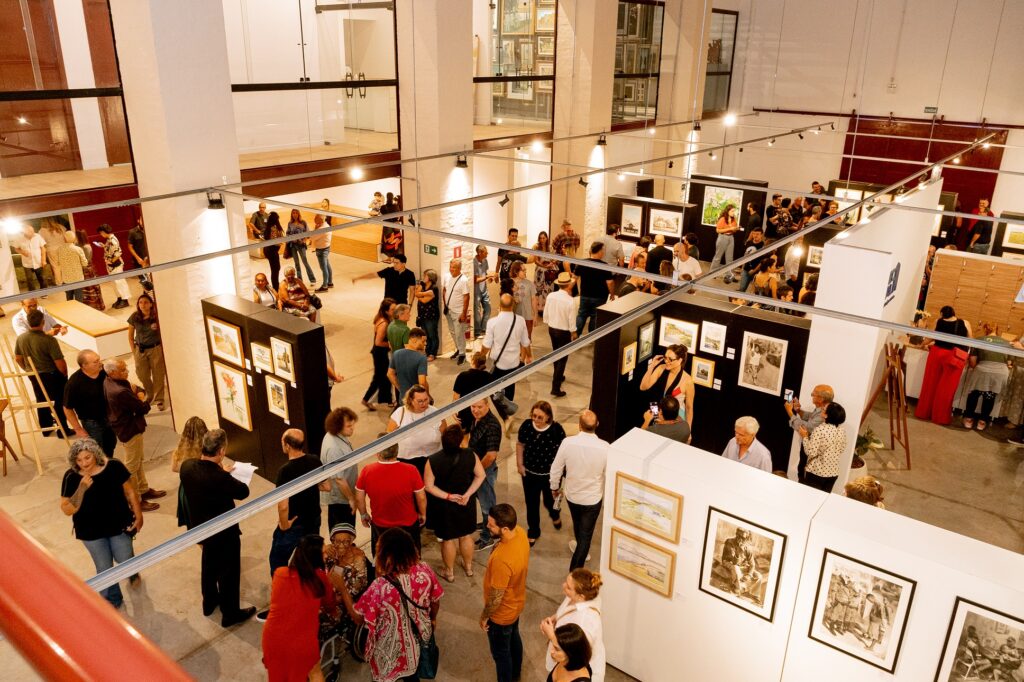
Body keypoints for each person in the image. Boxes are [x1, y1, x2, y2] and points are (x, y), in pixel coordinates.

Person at [178, 429, 256, 626]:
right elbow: (243, 491)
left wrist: (221, 471)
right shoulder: (220, 478)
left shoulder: (187, 467)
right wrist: (224, 473)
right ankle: (230, 614)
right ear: (221, 451)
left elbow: (205, 474)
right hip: (223, 531)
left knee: (209, 564)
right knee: (229, 572)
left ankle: (210, 601)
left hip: (201, 529)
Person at [59, 438, 143, 609]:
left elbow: (130, 492)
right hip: (91, 532)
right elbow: (67, 509)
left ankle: (131, 570)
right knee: (104, 568)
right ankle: (112, 600)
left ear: (95, 454)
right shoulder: (71, 476)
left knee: (124, 558)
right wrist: (82, 488)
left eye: (87, 458)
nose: (84, 464)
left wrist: (139, 514)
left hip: (118, 525)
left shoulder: (114, 466)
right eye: (79, 460)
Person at [353, 527, 443, 682]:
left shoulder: (379, 586)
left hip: (387, 651)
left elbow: (359, 618)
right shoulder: (425, 570)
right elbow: (435, 601)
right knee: (412, 675)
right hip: (416, 642)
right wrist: (432, 619)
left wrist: (341, 587)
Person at [261, 534, 338, 681]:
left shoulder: (280, 573)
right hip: (301, 642)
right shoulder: (320, 578)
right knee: (314, 673)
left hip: (273, 639)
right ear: (315, 557)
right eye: (323, 552)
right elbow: (330, 605)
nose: (326, 554)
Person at [264, 429, 323, 598]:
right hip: (313, 518)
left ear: (288, 446)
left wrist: (284, 525)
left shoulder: (285, 471)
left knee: (277, 560)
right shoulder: (314, 460)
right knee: (309, 556)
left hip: (295, 523)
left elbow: (283, 505)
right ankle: (308, 590)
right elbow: (326, 486)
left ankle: (282, 593)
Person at [425, 423, 486, 581]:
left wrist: (448, 496)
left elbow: (429, 486)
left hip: (444, 506)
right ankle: (469, 567)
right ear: (460, 441)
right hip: (466, 502)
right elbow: (481, 475)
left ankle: (449, 572)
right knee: (466, 535)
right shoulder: (470, 455)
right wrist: (467, 494)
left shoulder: (433, 460)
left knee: (448, 539)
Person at [550, 410, 609, 570]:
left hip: (572, 495)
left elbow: (556, 469)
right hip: (593, 499)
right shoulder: (606, 447)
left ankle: (575, 569)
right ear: (597, 425)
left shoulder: (568, 443)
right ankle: (575, 573)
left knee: (578, 524)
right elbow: (608, 474)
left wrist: (554, 487)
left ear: (579, 426)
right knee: (586, 535)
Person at [480, 503, 531, 682]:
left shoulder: (502, 560)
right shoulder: (521, 533)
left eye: (491, 524)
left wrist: (485, 616)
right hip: (516, 603)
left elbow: (496, 596)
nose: (487, 525)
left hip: (501, 613)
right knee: (514, 639)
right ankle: (516, 674)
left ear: (505, 528)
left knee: (501, 655)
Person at [355, 441, 427, 553]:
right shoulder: (411, 470)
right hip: (408, 524)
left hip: (380, 525)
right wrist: (422, 513)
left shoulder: (367, 471)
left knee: (383, 558)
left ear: (378, 453)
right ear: (397, 452)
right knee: (410, 557)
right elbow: (421, 497)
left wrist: (364, 514)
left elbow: (359, 498)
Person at [14, 309, 71, 436]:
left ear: (28, 323)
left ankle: (46, 428)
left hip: (33, 374)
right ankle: (63, 430)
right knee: (59, 400)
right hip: (50, 374)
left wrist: (27, 369)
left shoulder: (21, 339)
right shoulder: (49, 340)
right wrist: (64, 375)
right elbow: (60, 363)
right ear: (43, 322)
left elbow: (18, 358)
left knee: (41, 399)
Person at [541, 569, 605, 682]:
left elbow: (575, 650)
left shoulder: (586, 621)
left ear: (581, 596)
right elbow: (569, 609)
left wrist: (551, 634)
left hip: (574, 670)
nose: (563, 585)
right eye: (566, 582)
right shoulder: (577, 597)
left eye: (568, 587)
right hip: (563, 662)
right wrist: (557, 617)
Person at [517, 401, 567, 545]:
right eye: (534, 416)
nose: (536, 420)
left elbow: (563, 452)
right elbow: (520, 444)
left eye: (540, 417)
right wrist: (520, 464)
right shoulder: (527, 426)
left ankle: (555, 514)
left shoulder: (556, 429)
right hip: (529, 475)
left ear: (548, 417)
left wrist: (562, 471)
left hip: (549, 476)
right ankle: (533, 531)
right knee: (531, 503)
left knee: (549, 501)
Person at [915, 305, 971, 425]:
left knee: (930, 384)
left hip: (937, 353)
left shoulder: (938, 321)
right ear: (954, 313)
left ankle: (924, 413)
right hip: (955, 357)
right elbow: (970, 340)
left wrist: (922, 344)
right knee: (947, 388)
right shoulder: (965, 323)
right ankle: (940, 417)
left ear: (942, 314)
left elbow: (931, 337)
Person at [63, 350, 116, 457]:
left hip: (109, 417)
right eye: (96, 362)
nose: (100, 363)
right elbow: (67, 408)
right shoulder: (74, 383)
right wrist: (78, 429)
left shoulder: (103, 372)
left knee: (110, 444)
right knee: (97, 451)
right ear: (84, 365)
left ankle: (109, 465)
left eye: (99, 359)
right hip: (92, 423)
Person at [483, 294, 532, 404]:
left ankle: (503, 413)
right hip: (513, 362)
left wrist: (481, 356)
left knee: (494, 389)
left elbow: (487, 345)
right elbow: (525, 342)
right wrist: (528, 355)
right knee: (510, 387)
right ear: (513, 305)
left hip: (497, 362)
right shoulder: (520, 320)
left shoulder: (492, 322)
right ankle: (508, 409)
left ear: (500, 305)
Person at [962, 322, 1011, 430]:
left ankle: (969, 419)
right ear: (997, 330)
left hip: (983, 370)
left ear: (985, 329)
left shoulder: (979, 340)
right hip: (1001, 373)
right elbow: (1009, 362)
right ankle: (982, 422)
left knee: (974, 394)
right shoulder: (1007, 343)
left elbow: (973, 363)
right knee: (989, 396)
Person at [386, 384, 444, 474]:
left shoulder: (435, 412)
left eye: (426, 400)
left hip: (432, 458)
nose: (424, 403)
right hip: (406, 461)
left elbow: (444, 434)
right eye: (420, 401)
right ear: (410, 400)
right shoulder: (399, 414)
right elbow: (388, 437)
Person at [470, 398, 503, 551]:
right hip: (477, 467)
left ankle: (488, 536)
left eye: (480, 407)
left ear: (488, 405)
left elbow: (491, 455)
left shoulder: (492, 426)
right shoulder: (478, 418)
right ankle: (484, 525)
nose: (476, 410)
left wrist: (478, 471)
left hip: (484, 470)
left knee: (487, 506)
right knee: (480, 499)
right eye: (473, 406)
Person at [638, 344, 695, 429]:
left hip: (675, 417)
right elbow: (643, 387)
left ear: (680, 360)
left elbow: (689, 408)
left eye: (670, 359)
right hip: (657, 409)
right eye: (665, 357)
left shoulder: (688, 381)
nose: (666, 361)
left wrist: (688, 429)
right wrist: (652, 366)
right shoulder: (661, 368)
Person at [784, 384, 834, 481]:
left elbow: (807, 427)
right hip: (809, 448)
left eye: (814, 393)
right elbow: (811, 416)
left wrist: (790, 412)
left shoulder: (824, 414)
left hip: (811, 451)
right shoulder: (821, 410)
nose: (811, 395)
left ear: (821, 399)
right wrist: (798, 410)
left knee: (803, 474)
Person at [127, 293, 166, 411]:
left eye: (145, 302)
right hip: (140, 349)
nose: (143, 305)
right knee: (142, 374)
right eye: (140, 303)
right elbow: (130, 336)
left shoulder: (156, 317)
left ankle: (159, 398)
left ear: (151, 304)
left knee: (158, 374)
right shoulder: (134, 317)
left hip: (155, 349)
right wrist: (134, 351)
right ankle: (150, 393)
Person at [321, 407, 358, 529]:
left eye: (352, 425)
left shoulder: (336, 435)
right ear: (338, 426)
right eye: (349, 426)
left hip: (344, 495)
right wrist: (351, 499)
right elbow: (339, 479)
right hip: (341, 498)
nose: (352, 428)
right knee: (343, 532)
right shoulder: (334, 448)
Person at [799, 402, 847, 492]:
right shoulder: (842, 431)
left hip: (816, 472)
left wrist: (805, 437)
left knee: (810, 499)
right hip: (833, 473)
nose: (822, 409)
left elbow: (811, 452)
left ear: (826, 415)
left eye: (824, 409)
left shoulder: (820, 430)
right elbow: (842, 448)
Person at [544, 271, 576, 397]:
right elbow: (571, 320)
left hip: (552, 328)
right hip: (564, 332)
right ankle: (555, 387)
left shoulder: (551, 296)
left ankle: (558, 375)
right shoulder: (570, 301)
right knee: (563, 358)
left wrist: (548, 321)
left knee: (555, 353)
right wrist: (574, 332)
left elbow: (546, 313)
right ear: (568, 285)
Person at [324, 523, 370, 611]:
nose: (341, 545)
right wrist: (323, 548)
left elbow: (359, 585)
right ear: (332, 541)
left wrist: (338, 599)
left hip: (348, 602)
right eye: (337, 541)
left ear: (351, 541)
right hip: (330, 598)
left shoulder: (358, 557)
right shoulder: (330, 552)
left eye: (346, 541)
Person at [363, 298, 396, 410]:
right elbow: (378, 342)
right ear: (386, 311)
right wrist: (390, 344)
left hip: (380, 353)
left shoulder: (383, 318)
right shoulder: (384, 323)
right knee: (380, 377)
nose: (394, 311)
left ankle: (388, 399)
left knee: (384, 377)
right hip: (380, 354)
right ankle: (366, 399)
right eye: (392, 309)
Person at [575, 242, 614, 336]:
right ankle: (591, 336)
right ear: (599, 251)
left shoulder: (582, 263)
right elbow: (610, 282)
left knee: (581, 315)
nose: (603, 253)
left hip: (584, 294)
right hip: (599, 296)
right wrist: (612, 294)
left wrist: (577, 291)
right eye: (603, 251)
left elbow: (574, 277)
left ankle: (575, 335)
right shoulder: (605, 266)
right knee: (595, 316)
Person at [452, 351, 493, 429]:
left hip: (465, 410)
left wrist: (453, 411)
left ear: (472, 361)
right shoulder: (488, 376)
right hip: (481, 409)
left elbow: (456, 397)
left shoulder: (462, 376)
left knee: (464, 437)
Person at [388, 327, 429, 403]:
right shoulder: (421, 358)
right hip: (417, 402)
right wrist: (427, 396)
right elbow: (422, 382)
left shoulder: (396, 354)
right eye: (423, 341)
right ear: (414, 339)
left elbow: (390, 374)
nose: (425, 343)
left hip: (403, 399)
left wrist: (400, 389)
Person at [442, 258, 470, 364]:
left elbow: (466, 297)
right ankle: (459, 349)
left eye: (453, 267)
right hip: (449, 310)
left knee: (459, 333)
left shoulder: (463, 280)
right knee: (452, 331)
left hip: (459, 312)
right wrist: (445, 304)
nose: (451, 269)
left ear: (459, 269)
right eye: (450, 266)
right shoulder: (447, 276)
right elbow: (444, 290)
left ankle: (462, 354)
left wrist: (464, 313)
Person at [97, 225, 131, 308]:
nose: (101, 234)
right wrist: (104, 246)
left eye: (101, 233)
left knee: (120, 282)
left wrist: (112, 261)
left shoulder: (113, 240)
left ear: (104, 232)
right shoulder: (109, 240)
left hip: (116, 265)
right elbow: (110, 249)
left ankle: (125, 299)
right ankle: (119, 298)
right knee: (114, 283)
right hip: (111, 265)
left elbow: (119, 252)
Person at [412, 268, 440, 361]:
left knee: (432, 335)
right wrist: (420, 293)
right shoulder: (423, 286)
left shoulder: (434, 288)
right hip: (422, 315)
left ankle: (432, 353)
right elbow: (416, 293)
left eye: (425, 276)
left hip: (431, 316)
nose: (423, 277)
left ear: (430, 278)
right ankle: (427, 352)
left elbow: (424, 301)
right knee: (425, 335)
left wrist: (419, 295)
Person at [531, 230, 558, 315]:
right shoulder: (536, 247)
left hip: (549, 270)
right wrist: (544, 266)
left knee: (547, 289)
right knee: (539, 289)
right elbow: (535, 261)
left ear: (547, 238)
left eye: (544, 238)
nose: (542, 240)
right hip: (540, 271)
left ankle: (547, 307)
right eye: (541, 238)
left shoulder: (550, 248)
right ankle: (540, 308)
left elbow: (555, 258)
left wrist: (552, 263)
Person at [286, 208, 316, 283]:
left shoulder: (303, 222)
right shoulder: (290, 223)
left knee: (305, 262)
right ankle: (300, 280)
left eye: (296, 213)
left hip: (301, 245)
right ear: (291, 214)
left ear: (298, 214)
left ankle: (312, 279)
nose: (295, 214)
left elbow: (308, 233)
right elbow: (287, 234)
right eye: (293, 213)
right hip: (293, 246)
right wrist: (291, 239)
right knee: (296, 264)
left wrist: (304, 240)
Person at [712, 204, 740, 283]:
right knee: (718, 256)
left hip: (731, 237)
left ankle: (729, 274)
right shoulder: (722, 219)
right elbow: (718, 230)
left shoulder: (734, 218)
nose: (733, 212)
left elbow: (734, 230)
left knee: (729, 258)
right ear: (728, 211)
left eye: (734, 211)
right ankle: (712, 273)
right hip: (722, 237)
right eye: (732, 211)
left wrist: (734, 228)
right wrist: (730, 228)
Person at [57, 231, 88, 301]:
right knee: (79, 298)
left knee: (69, 298)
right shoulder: (78, 249)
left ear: (64, 239)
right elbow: (85, 263)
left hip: (66, 278)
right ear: (74, 239)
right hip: (78, 278)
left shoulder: (59, 250)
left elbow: (58, 263)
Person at [16, 223, 47, 291]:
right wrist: (22, 252)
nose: (33, 233)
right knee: (29, 280)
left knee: (41, 278)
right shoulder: (19, 238)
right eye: (30, 232)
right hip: (27, 264)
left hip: (38, 262)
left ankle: (44, 292)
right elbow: (16, 248)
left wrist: (43, 260)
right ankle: (32, 294)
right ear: (25, 232)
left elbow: (43, 249)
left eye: (33, 231)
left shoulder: (38, 236)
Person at [511, 261, 537, 339]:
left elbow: (533, 299)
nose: (525, 272)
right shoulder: (509, 283)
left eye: (525, 270)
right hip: (514, 317)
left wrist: (535, 315)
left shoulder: (530, 284)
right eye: (523, 270)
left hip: (528, 317)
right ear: (516, 271)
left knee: (527, 339)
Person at [473, 245, 495, 338]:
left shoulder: (485, 261)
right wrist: (485, 277)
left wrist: (488, 278)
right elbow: (475, 280)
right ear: (480, 253)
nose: (487, 254)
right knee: (477, 311)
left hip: (484, 289)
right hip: (476, 290)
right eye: (486, 252)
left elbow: (485, 273)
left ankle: (483, 328)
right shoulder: (473, 263)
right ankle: (477, 331)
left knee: (488, 308)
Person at [126, 216, 151, 291]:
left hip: (149, 259)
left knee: (151, 279)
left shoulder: (150, 229)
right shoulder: (132, 232)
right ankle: (147, 294)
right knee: (144, 280)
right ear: (138, 221)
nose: (143, 222)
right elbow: (130, 247)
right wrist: (138, 258)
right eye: (141, 220)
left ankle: (149, 295)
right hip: (138, 260)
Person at [310, 213, 333, 292]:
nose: (314, 221)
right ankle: (330, 282)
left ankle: (325, 286)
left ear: (320, 219)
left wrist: (315, 229)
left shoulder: (321, 229)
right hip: (326, 248)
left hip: (322, 250)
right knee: (327, 265)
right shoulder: (327, 225)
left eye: (316, 219)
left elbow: (312, 237)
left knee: (323, 267)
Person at [263, 213, 284, 291]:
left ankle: (276, 285)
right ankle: (276, 287)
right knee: (275, 269)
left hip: (269, 250)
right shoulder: (273, 228)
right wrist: (281, 242)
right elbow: (274, 241)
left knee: (275, 268)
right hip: (272, 250)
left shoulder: (268, 227)